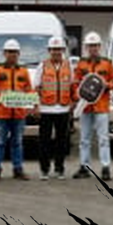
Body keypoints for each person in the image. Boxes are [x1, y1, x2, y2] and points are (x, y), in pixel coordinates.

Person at [0, 39, 36, 181]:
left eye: (14, 52)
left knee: (17, 142)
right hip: (1, 113)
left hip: (19, 114)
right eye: (9, 52)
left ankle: (18, 169)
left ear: (18, 54)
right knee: (0, 142)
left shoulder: (23, 71)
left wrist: (33, 103)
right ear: (4, 53)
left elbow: (29, 89)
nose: (12, 54)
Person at [73, 32, 113, 181]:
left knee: (103, 139)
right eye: (90, 46)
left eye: (95, 46)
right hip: (85, 107)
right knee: (84, 139)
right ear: (86, 47)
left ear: (99, 47)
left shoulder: (107, 63)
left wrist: (106, 84)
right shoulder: (81, 64)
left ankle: (105, 167)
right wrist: (78, 97)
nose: (93, 48)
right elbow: (76, 83)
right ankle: (84, 167)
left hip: (101, 107)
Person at [34, 36, 75, 180]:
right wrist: (36, 106)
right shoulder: (42, 66)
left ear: (63, 50)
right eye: (53, 49)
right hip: (46, 109)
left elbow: (72, 86)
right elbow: (36, 88)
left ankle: (59, 168)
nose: (56, 52)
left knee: (61, 142)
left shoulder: (69, 66)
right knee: (44, 141)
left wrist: (73, 103)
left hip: (63, 109)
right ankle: (44, 170)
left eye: (59, 49)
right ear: (49, 50)